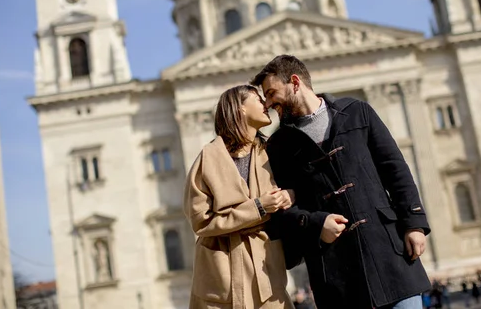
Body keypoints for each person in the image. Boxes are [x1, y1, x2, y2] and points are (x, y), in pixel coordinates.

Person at [251, 55, 431, 309]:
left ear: (294, 82)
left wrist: (414, 224)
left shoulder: (357, 112)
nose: (268, 103)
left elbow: (395, 170)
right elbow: (281, 208)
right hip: (335, 271)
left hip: (388, 253)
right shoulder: (278, 146)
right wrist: (315, 224)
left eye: (271, 93)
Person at [183, 85, 295, 309]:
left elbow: (297, 187)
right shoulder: (209, 157)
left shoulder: (271, 151)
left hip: (266, 270)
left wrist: (289, 195)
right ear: (240, 108)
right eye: (257, 98)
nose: (265, 104)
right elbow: (201, 221)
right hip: (222, 276)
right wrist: (258, 208)